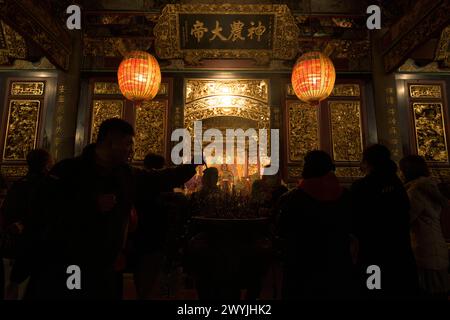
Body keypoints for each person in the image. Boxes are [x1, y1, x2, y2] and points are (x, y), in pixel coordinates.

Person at [7, 118, 137, 299]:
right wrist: (18, 276)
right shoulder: (67, 171)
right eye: (128, 144)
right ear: (110, 141)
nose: (131, 151)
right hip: (68, 264)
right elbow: (41, 219)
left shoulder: (124, 174)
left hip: (105, 269)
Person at [278, 150, 355, 299]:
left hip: (301, 265)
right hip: (337, 262)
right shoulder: (345, 196)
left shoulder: (292, 198)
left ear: (306, 169)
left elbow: (282, 229)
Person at [351, 144, 419, 299]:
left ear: (366, 162)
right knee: (398, 290)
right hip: (400, 251)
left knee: (374, 291)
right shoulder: (398, 185)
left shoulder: (361, 186)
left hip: (372, 252)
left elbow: (355, 220)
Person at [1, 149, 52, 300]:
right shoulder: (50, 185)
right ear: (46, 165)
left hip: (21, 240)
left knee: (16, 280)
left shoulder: (19, 184)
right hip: (41, 240)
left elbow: (7, 211)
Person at [399, 155, 449, 298]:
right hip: (436, 244)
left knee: (427, 290)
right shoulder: (430, 187)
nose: (400, 174)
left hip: (423, 247)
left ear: (408, 171)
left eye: (401, 170)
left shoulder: (416, 191)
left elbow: (406, 218)